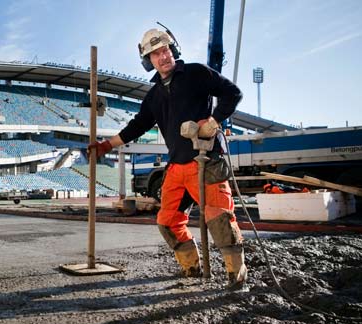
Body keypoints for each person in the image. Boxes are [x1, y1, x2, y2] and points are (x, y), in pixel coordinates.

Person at [89, 28, 247, 290]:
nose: (162, 57)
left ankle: (236, 277)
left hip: (207, 160)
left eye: (165, 50)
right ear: (148, 61)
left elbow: (233, 93)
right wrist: (106, 145)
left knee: (219, 219)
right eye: (155, 54)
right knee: (167, 221)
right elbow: (137, 125)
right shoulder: (153, 96)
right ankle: (192, 267)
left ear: (173, 50)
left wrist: (214, 121)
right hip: (177, 165)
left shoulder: (196, 73)